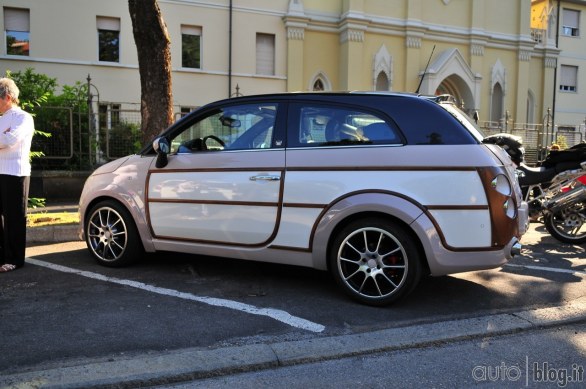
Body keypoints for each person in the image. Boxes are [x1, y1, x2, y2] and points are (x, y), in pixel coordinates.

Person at [0, 78, 34, 273]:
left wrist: (4, 136)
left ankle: (14, 259)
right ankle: (2, 255)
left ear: (8, 97)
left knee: (14, 217)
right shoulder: (1, 119)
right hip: (0, 171)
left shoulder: (24, 118)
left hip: (15, 172)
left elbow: (10, 139)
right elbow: (3, 139)